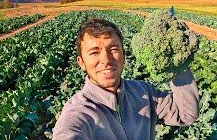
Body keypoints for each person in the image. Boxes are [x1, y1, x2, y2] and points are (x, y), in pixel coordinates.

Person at [53, 18, 199, 140]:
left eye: (114, 49)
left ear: (124, 55)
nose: (106, 60)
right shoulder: (79, 112)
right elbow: (68, 133)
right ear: (81, 62)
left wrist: (178, 62)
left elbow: (186, 114)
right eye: (94, 52)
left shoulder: (144, 92)